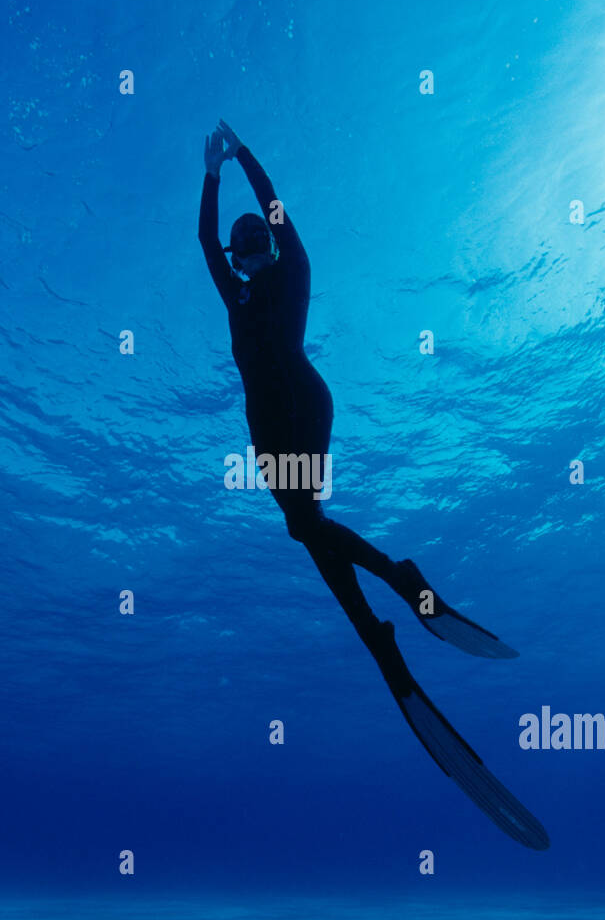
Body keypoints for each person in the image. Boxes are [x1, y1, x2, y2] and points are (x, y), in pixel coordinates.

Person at [198, 121, 548, 850]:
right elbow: (204, 243)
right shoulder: (233, 296)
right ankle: (383, 642)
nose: (255, 259)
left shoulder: (291, 272)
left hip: (301, 403)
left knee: (307, 526)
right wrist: (208, 176)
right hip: (263, 429)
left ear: (270, 247)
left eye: (260, 247)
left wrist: (242, 158)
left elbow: (278, 214)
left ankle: (402, 587)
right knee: (307, 531)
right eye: (245, 253)